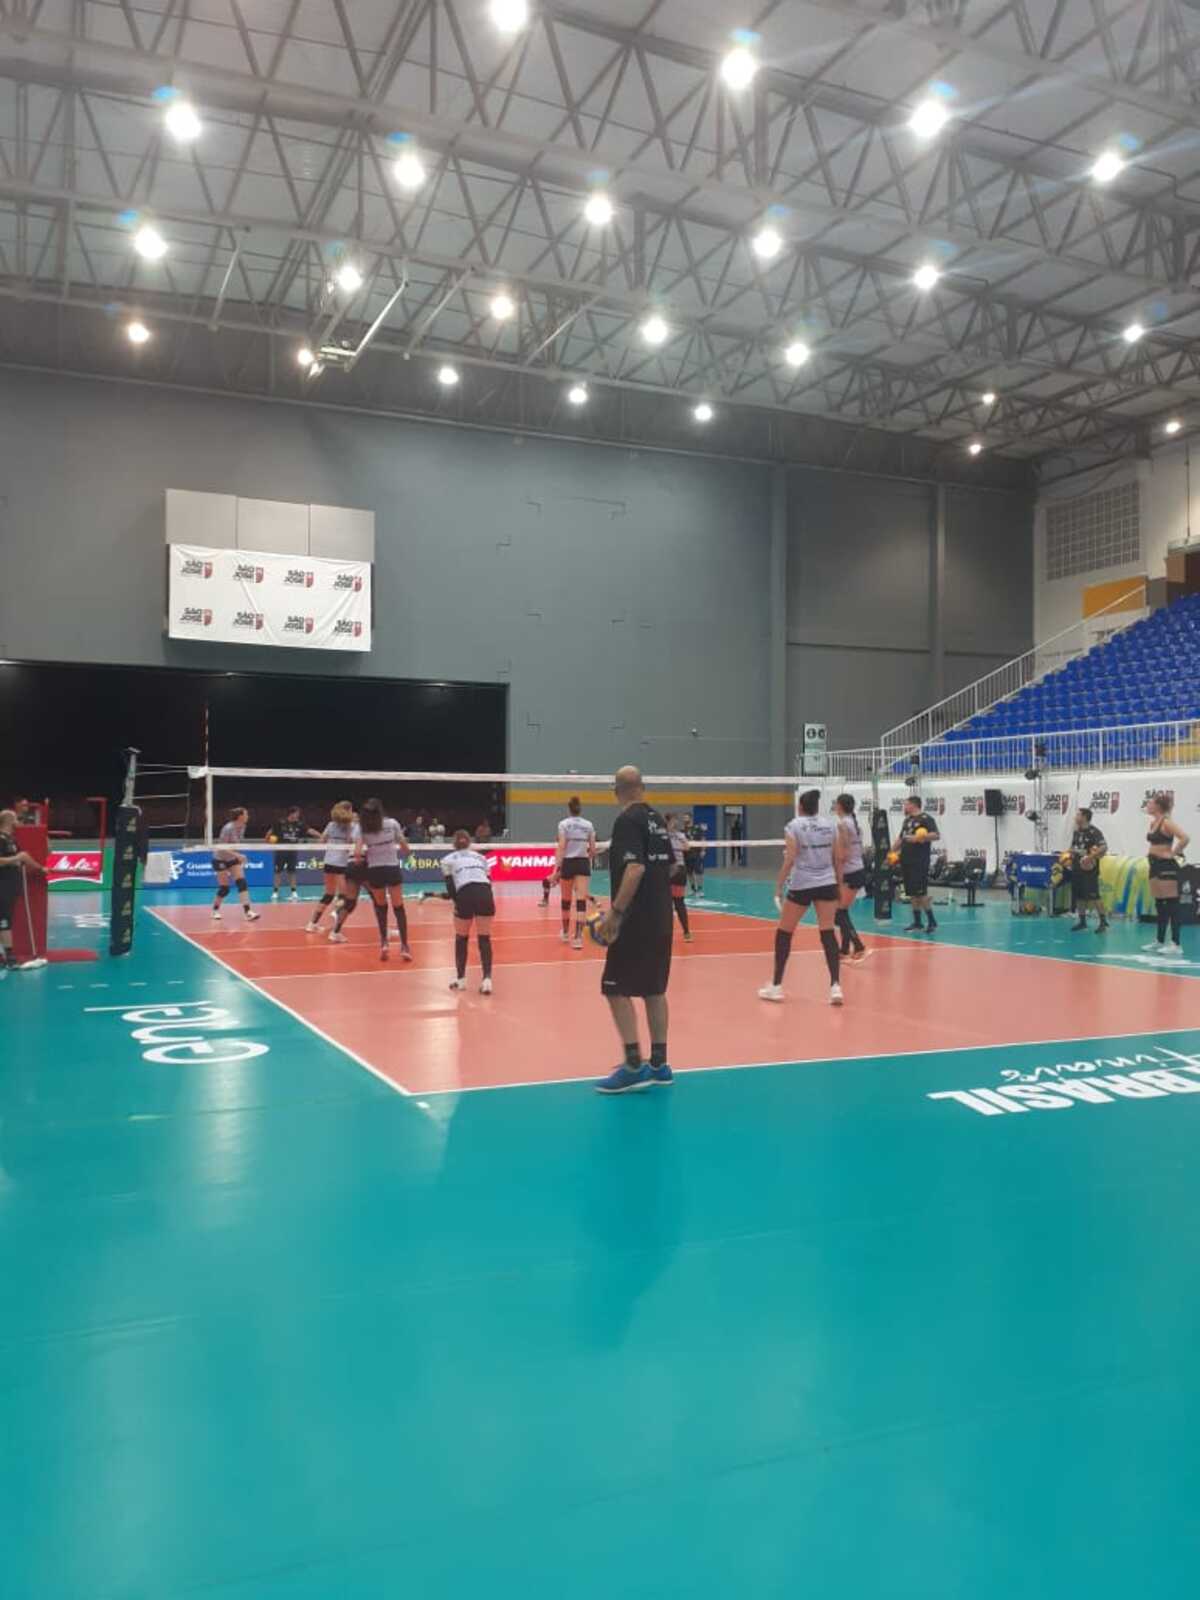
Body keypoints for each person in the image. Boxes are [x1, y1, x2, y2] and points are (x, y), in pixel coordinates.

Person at [594, 766, 675, 1094]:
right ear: (642, 787)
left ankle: (632, 1065)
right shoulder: (657, 819)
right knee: (654, 990)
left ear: (616, 791)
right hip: (661, 916)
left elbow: (636, 867)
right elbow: (667, 865)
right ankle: (659, 1065)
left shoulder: (627, 820)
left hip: (636, 920)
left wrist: (615, 913)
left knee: (614, 987)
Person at [758, 789, 845, 1007]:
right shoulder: (830, 825)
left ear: (800, 807)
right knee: (827, 933)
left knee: (784, 932)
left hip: (802, 884)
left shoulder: (794, 826)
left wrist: (778, 886)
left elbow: (790, 858)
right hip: (827, 883)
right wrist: (839, 884)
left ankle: (776, 986)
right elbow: (838, 857)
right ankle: (835, 986)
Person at [331, 797, 412, 963]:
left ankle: (384, 944)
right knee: (399, 907)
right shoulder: (392, 823)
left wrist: (369, 854)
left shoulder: (362, 828)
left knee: (381, 907)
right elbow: (405, 848)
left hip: (375, 871)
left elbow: (358, 853)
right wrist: (404, 851)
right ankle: (404, 947)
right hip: (392, 868)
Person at [441, 829, 496, 994]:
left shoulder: (447, 860)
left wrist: (460, 905)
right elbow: (489, 881)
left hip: (465, 893)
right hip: (485, 893)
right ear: (470, 842)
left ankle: (461, 980)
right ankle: (487, 980)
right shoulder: (481, 857)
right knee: (484, 938)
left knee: (461, 938)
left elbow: (451, 890)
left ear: (453, 844)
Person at [1144, 792, 1190, 959]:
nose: (1147, 805)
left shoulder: (1167, 823)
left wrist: (1173, 853)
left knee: (1172, 905)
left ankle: (1176, 944)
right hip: (1154, 865)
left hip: (1166, 866)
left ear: (1158, 806)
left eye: (1150, 803)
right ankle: (1159, 940)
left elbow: (1185, 838)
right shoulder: (1153, 823)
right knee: (1160, 904)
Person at [0, 808, 46, 968]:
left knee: (5, 919)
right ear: (9, 821)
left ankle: (6, 955)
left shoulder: (11, 840)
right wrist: (16, 858)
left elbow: (25, 857)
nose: (18, 822)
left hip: (11, 886)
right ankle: (10, 958)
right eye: (16, 819)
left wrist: (40, 868)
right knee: (4, 921)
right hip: (2, 886)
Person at [306, 801, 358, 933]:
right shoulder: (351, 826)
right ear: (349, 810)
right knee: (344, 896)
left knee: (329, 894)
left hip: (328, 861)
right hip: (341, 863)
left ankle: (312, 923)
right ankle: (336, 919)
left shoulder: (331, 825)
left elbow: (322, 841)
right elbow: (353, 843)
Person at [555, 796, 597, 949]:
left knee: (566, 901)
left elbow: (561, 846)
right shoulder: (589, 825)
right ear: (580, 809)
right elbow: (592, 849)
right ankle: (578, 938)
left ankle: (566, 933)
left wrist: (556, 870)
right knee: (581, 902)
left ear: (569, 809)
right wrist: (588, 855)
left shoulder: (564, 824)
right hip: (582, 862)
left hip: (568, 862)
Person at [832, 794, 868, 963]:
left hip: (850, 872)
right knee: (842, 911)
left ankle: (858, 946)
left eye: (836, 804)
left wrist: (836, 873)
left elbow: (843, 853)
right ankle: (844, 950)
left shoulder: (843, 824)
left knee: (838, 912)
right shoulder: (852, 822)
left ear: (839, 806)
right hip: (857, 869)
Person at [897, 795, 940, 934]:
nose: (904, 807)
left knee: (921, 893)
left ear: (913, 805)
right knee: (912, 893)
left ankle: (932, 921)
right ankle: (917, 923)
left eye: (906, 804)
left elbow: (936, 835)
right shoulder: (907, 820)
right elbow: (900, 839)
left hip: (919, 861)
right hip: (906, 860)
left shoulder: (926, 819)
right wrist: (889, 852)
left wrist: (917, 838)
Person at [211, 807, 260, 922]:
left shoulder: (243, 827)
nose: (248, 816)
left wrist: (240, 855)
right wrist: (238, 855)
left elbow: (235, 844)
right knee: (225, 889)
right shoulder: (227, 828)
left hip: (232, 858)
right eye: (246, 814)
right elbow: (221, 847)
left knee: (242, 883)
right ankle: (215, 910)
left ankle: (248, 912)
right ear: (240, 816)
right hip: (220, 859)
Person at [1068, 807, 1109, 934]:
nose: (1075, 817)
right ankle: (1082, 922)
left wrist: (1089, 857)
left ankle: (1103, 922)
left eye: (1078, 814)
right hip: (1076, 868)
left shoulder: (1094, 832)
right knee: (1079, 896)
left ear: (1085, 817)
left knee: (1094, 896)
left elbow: (1104, 847)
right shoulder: (1077, 831)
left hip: (1089, 869)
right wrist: (1070, 855)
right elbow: (1073, 847)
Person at [268, 805, 320, 902]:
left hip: (293, 851)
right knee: (278, 872)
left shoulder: (299, 824)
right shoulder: (280, 823)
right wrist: (268, 841)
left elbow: (310, 830)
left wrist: (321, 836)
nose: (298, 815)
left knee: (292, 872)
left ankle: (293, 892)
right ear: (291, 813)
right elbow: (270, 833)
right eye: (297, 813)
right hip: (281, 851)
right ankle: (275, 892)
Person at [664, 812, 694, 942]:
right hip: (673, 870)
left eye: (675, 821)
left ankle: (685, 932)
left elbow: (687, 847)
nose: (675, 823)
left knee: (675, 902)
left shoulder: (668, 836)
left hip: (675, 871)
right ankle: (683, 933)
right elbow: (686, 847)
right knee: (672, 903)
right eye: (673, 821)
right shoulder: (672, 836)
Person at [684, 813, 707, 897]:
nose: (685, 820)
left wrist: (703, 850)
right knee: (689, 873)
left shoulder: (697, 828)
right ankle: (693, 889)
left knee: (698, 872)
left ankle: (700, 890)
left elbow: (703, 839)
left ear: (691, 818)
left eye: (686, 818)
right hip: (687, 854)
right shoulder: (683, 830)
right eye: (684, 818)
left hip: (696, 853)